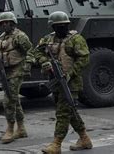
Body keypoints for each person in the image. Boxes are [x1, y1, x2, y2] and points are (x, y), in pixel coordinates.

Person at [29, 11, 92, 153]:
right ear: (52, 27)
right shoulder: (48, 39)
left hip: (71, 83)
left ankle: (56, 144)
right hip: (55, 81)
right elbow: (36, 52)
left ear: (68, 25)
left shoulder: (76, 39)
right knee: (70, 112)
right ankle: (84, 138)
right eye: (57, 26)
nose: (61, 28)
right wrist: (44, 62)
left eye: (63, 25)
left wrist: (70, 73)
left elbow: (84, 59)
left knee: (63, 113)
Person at [0, 12, 32, 144]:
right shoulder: (1, 38)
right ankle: (21, 129)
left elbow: (30, 51)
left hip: (17, 70)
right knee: (14, 99)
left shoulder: (20, 36)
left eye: (7, 22)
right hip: (5, 71)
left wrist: (27, 66)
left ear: (13, 23)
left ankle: (10, 128)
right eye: (3, 23)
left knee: (8, 100)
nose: (5, 25)